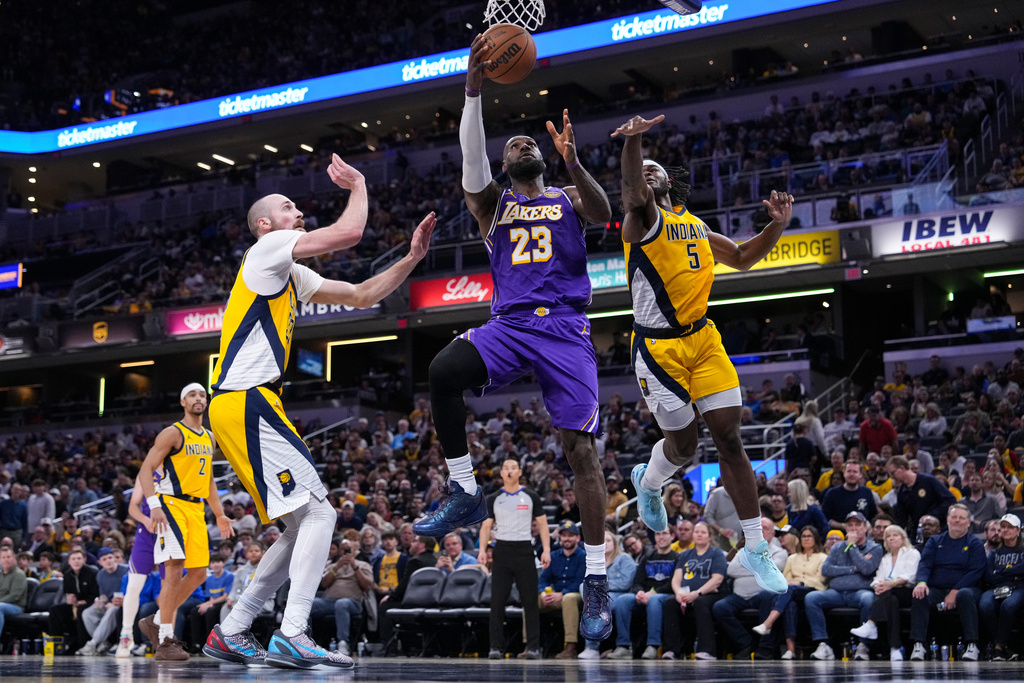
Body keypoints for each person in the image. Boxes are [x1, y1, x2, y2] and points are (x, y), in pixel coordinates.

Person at [413, 35, 614, 644]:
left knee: (580, 452)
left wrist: (576, 160)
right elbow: (471, 160)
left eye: (530, 142)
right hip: (510, 323)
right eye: (513, 144)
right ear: (504, 166)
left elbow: (606, 216)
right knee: (443, 372)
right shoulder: (492, 205)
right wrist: (473, 89)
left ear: (546, 160)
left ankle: (599, 577)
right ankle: (465, 488)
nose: (521, 143)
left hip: (566, 329)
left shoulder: (570, 196)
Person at [203, 154, 435, 670]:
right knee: (323, 513)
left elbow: (360, 294)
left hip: (244, 405)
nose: (298, 212)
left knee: (298, 525)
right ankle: (293, 630)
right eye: (288, 208)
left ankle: (235, 629)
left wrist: (412, 258)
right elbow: (350, 234)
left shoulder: (289, 274)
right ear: (266, 224)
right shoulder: (267, 249)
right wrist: (359, 185)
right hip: (247, 400)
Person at [611, 113, 792, 597]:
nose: (648, 171)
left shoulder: (697, 227)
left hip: (704, 340)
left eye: (655, 167)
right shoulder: (642, 220)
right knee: (685, 449)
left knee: (730, 438)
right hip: (657, 347)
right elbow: (632, 192)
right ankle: (649, 483)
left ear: (672, 180)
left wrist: (775, 227)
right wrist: (633, 142)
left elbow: (744, 256)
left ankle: (755, 548)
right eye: (641, 169)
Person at [136, 383, 233, 661]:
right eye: (193, 394)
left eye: (202, 394)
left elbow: (209, 481)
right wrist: (154, 505)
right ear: (183, 401)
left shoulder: (210, 437)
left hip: (196, 508)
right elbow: (146, 470)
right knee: (174, 567)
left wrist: (219, 513)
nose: (199, 398)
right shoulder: (173, 433)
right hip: (171, 505)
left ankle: (156, 620)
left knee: (199, 573)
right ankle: (165, 640)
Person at [478, 458, 550, 660]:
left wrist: (546, 550)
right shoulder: (493, 498)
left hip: (525, 549)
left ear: (520, 472)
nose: (509, 471)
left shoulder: (531, 496)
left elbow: (543, 525)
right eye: (506, 468)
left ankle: (534, 647)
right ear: (501, 473)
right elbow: (485, 527)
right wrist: (482, 550)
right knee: (497, 601)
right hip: (502, 550)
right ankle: (495, 647)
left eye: (513, 468)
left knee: (530, 601)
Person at [908, 504, 985, 661]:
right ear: (948, 520)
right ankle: (919, 644)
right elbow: (925, 564)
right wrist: (921, 582)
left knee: (965, 594)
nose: (957, 520)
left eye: (961, 518)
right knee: (919, 594)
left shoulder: (974, 543)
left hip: (966, 589)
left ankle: (972, 644)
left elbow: (976, 571)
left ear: (968, 522)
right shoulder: (935, 541)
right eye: (954, 517)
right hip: (937, 588)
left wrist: (955, 590)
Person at [806, 512, 882, 661]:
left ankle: (863, 646)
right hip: (837, 593)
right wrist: (853, 569)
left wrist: (852, 546)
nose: (853, 529)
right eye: (850, 525)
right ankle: (823, 645)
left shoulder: (875, 548)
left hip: (860, 592)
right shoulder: (837, 547)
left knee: (869, 599)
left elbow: (867, 569)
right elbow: (826, 570)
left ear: (865, 527)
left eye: (857, 525)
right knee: (811, 598)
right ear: (846, 528)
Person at [712, 518, 788, 660]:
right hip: (739, 596)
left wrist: (748, 567)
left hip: (762, 595)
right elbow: (731, 570)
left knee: (767, 596)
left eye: (765, 528)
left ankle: (765, 648)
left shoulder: (780, 552)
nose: (761, 531)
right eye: (758, 528)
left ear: (772, 534)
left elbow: (771, 571)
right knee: (719, 607)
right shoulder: (742, 551)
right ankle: (746, 643)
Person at [752, 526, 826, 659]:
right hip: (791, 591)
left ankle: (768, 623)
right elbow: (785, 578)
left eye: (809, 536)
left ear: (815, 539)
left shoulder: (822, 557)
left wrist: (801, 582)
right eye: (803, 536)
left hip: (812, 590)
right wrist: (791, 583)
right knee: (789, 604)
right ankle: (791, 650)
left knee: (789, 590)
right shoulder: (792, 558)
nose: (806, 539)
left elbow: (821, 579)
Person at [850, 524, 921, 661]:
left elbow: (911, 576)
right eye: (888, 536)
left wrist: (891, 583)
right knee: (891, 600)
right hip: (890, 594)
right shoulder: (886, 558)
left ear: (903, 538)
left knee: (887, 593)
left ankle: (871, 624)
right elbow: (878, 577)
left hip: (908, 591)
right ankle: (895, 648)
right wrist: (877, 585)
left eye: (895, 535)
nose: (891, 538)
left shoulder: (912, 553)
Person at [607, 528, 678, 660]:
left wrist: (652, 593)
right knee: (623, 600)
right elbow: (637, 581)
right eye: (658, 533)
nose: (661, 537)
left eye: (664, 534)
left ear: (672, 536)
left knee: (654, 600)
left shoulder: (677, 557)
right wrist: (639, 592)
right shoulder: (647, 558)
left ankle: (653, 645)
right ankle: (623, 646)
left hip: (664, 594)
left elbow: (674, 583)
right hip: (645, 595)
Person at [662, 521, 728, 660]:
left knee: (700, 603)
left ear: (709, 537)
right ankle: (672, 650)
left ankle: (706, 650)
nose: (699, 535)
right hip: (687, 594)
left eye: (703, 532)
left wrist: (697, 593)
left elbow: (717, 579)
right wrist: (679, 593)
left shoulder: (716, 554)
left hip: (711, 594)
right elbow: (676, 578)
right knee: (669, 603)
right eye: (697, 532)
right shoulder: (685, 555)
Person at [115, 472, 161, 657]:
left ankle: (164, 634)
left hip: (171, 528)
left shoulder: (180, 467)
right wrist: (145, 520)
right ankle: (126, 635)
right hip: (147, 531)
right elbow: (133, 507)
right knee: (133, 586)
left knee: (169, 586)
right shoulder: (145, 473)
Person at [310, 538, 373, 657]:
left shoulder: (363, 565)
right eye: (343, 550)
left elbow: (367, 586)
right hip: (330, 602)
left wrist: (355, 567)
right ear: (339, 551)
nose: (346, 552)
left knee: (342, 604)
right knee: (311, 603)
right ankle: (303, 639)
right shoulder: (333, 566)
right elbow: (325, 584)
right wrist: (336, 567)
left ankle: (343, 642)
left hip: (353, 603)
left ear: (355, 551)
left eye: (349, 550)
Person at [976, 513, 1024, 660]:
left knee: (1008, 606)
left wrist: (1003, 571)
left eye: (1010, 527)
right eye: (1003, 527)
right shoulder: (994, 553)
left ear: (1018, 531)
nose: (1005, 530)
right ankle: (1005, 647)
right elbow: (989, 575)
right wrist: (1013, 572)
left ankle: (998, 647)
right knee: (985, 605)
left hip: (1019, 586)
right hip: (996, 587)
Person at [537, 521, 588, 658]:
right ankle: (531, 646)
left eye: (570, 535)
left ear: (578, 538)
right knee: (530, 600)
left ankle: (571, 646)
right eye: (564, 535)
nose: (566, 538)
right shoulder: (553, 556)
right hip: (555, 596)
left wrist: (562, 593)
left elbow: (580, 581)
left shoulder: (584, 556)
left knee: (569, 598)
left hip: (575, 596)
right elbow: (543, 579)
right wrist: (543, 593)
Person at [75, 547, 129, 656]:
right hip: (108, 603)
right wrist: (100, 601)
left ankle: (92, 643)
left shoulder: (126, 570)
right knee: (87, 613)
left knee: (113, 610)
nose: (108, 561)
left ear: (115, 558)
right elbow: (103, 595)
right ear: (100, 562)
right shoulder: (100, 575)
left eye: (110, 557)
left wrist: (114, 603)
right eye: (104, 559)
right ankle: (104, 642)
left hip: (124, 603)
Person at [47, 548, 99, 653]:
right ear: (69, 561)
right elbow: (69, 594)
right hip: (76, 604)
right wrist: (71, 601)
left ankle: (83, 645)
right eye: (73, 559)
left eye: (79, 558)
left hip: (91, 603)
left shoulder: (92, 573)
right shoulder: (67, 575)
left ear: (84, 559)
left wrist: (77, 604)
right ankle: (56, 645)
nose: (76, 561)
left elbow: (95, 595)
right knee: (55, 611)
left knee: (80, 610)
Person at [887, 456, 955, 534]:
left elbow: (950, 500)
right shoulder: (902, 493)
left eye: (893, 473)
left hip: (939, 530)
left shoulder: (927, 480)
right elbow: (901, 520)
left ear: (902, 468)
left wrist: (932, 515)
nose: (892, 477)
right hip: (920, 532)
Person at [187, 553, 233, 654]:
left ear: (223, 564)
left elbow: (225, 596)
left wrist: (209, 604)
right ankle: (197, 644)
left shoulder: (229, 576)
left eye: (218, 562)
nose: (215, 565)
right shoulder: (209, 579)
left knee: (210, 612)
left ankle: (212, 643)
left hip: (224, 602)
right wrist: (208, 603)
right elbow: (211, 595)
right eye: (213, 562)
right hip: (214, 601)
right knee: (195, 611)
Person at [821, 461, 877, 531]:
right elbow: (825, 518)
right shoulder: (832, 493)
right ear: (844, 473)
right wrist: (843, 526)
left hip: (862, 536)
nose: (851, 474)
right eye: (849, 471)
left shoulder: (866, 492)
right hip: (838, 536)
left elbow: (873, 517)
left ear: (860, 475)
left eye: (855, 472)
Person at [0, 546, 27, 644]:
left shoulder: (19, 574)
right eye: (3, 557)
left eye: (8, 557)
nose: (6, 560)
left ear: (14, 558)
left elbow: (14, 596)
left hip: (16, 607)